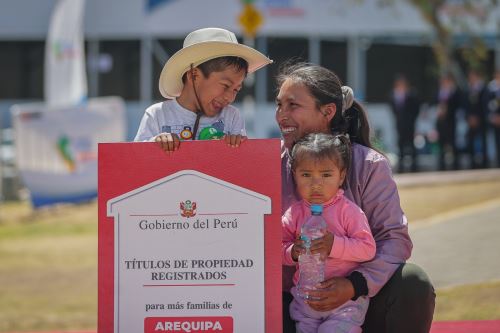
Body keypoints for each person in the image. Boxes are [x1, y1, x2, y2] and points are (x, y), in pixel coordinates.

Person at [275, 62, 435, 333]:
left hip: (358, 301)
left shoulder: (369, 165)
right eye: (279, 105)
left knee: (413, 282)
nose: (281, 115)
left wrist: (354, 285)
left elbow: (394, 240)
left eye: (293, 106)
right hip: (296, 305)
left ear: (327, 111)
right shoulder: (269, 163)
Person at [282, 133, 376, 333]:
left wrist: (334, 245)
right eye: (306, 175)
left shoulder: (348, 211)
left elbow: (367, 249)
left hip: (344, 304)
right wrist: (292, 252)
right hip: (305, 302)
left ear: (341, 176)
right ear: (294, 174)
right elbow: (275, 247)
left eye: (326, 175)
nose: (316, 184)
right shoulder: (295, 213)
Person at [134, 27, 272, 150]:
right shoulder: (157, 115)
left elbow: (241, 168)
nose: (229, 97)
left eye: (236, 90)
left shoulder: (232, 117)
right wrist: (154, 145)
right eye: (225, 86)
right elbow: (135, 162)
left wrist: (236, 147)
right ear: (193, 75)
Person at [389, 74, 421, 172]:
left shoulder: (411, 94)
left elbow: (416, 109)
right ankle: (401, 168)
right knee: (401, 146)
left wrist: (412, 120)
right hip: (400, 125)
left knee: (412, 145)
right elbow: (393, 109)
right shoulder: (394, 95)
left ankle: (414, 167)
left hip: (410, 125)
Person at [435, 73, 466, 170]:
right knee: (442, 144)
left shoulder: (455, 92)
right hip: (441, 122)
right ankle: (442, 166)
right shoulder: (439, 92)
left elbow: (458, 105)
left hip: (451, 122)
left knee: (452, 143)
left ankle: (455, 166)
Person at [465, 69, 490, 169]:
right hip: (471, 121)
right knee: (470, 142)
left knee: (483, 142)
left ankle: (484, 164)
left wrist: (478, 118)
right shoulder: (468, 90)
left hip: (481, 121)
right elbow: (466, 106)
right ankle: (473, 165)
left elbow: (484, 106)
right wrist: (469, 117)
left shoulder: (484, 89)